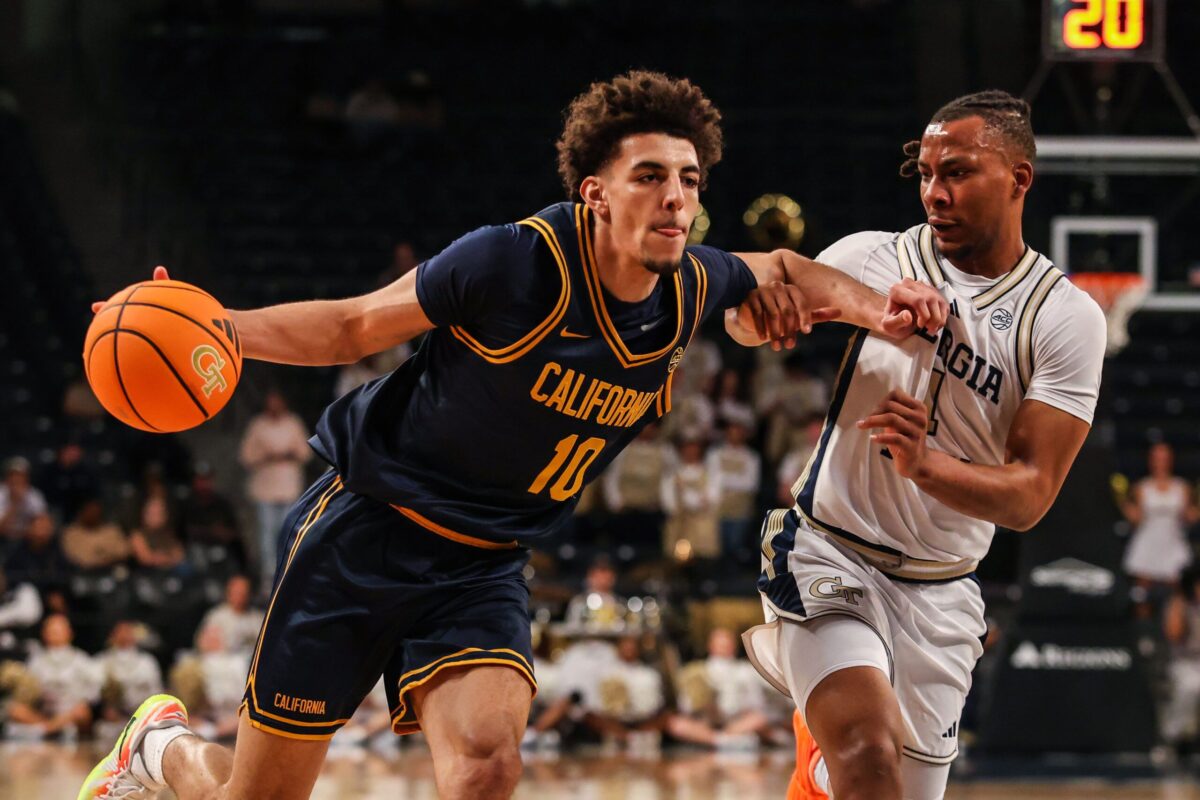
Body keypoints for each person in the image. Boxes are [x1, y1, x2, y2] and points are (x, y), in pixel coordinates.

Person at [80, 70, 942, 800]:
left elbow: (786, 268)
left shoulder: (690, 285)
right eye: (649, 176)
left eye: (689, 178)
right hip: (368, 531)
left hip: (483, 563)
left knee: (488, 767)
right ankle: (157, 747)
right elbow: (351, 326)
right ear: (595, 193)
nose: (676, 197)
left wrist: (884, 309)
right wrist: (220, 327)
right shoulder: (513, 263)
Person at [743, 90, 1106, 800]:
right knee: (867, 757)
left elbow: (1031, 496)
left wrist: (926, 465)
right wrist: (762, 314)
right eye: (926, 173)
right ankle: (830, 746)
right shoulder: (873, 256)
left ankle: (817, 770)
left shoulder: (1064, 318)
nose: (935, 193)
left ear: (1019, 178)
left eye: (959, 172)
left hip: (942, 592)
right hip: (829, 551)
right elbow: (748, 316)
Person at [238, 390, 311, 591]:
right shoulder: (258, 425)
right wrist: (266, 455)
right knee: (267, 537)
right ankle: (269, 582)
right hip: (266, 489)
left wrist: (288, 453)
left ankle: (288, 577)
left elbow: (306, 452)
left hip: (288, 488)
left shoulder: (293, 423)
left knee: (288, 533)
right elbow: (245, 456)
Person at [1122, 442, 1199, 618]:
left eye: (1164, 457)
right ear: (1150, 460)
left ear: (1171, 459)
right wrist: (1124, 504)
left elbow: (1189, 517)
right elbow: (1136, 519)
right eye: (1156, 457)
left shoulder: (1182, 487)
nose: (1160, 461)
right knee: (1142, 593)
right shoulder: (1141, 487)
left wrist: (1194, 512)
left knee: (1179, 591)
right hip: (1147, 542)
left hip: (1173, 541)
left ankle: (1176, 629)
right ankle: (1142, 631)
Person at [195, 575, 263, 655]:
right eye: (236, 592)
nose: (239, 597)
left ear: (250, 594)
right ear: (228, 593)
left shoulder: (258, 618)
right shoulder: (216, 616)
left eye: (243, 593)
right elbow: (201, 643)